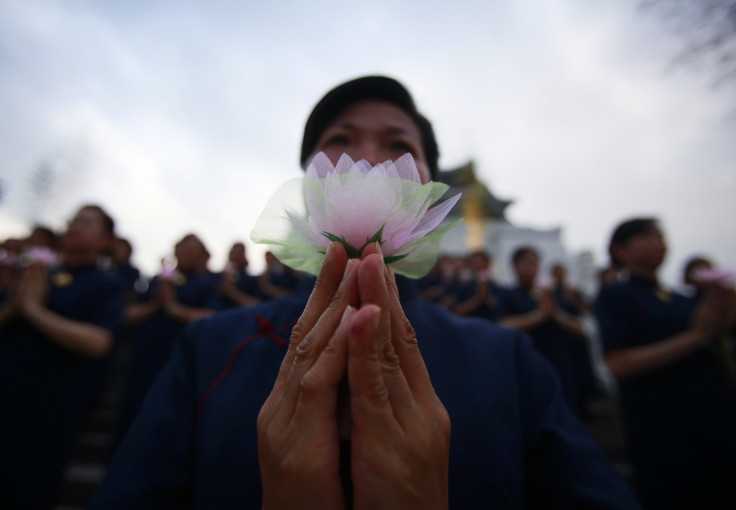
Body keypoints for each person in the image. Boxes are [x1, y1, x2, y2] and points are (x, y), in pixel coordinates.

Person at [90, 76, 640, 509]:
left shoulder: (506, 359)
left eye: (400, 145)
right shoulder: (209, 347)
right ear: (306, 186)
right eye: (339, 141)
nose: (371, 158)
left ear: (429, 190)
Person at [594, 218, 736, 509]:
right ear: (619, 249)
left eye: (661, 236)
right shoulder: (616, 296)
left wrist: (722, 308)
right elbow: (618, 364)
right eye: (647, 237)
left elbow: (713, 340)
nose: (659, 243)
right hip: (663, 426)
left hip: (711, 417)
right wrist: (695, 337)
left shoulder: (680, 299)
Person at [0, 204, 125, 509]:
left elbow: (98, 342)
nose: (73, 227)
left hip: (50, 406)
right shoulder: (35, 272)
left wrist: (34, 311)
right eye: (71, 220)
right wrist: (16, 305)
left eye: (85, 222)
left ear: (106, 241)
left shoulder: (105, 284)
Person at [116, 233, 221, 445]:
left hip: (183, 357)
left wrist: (175, 309)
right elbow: (126, 312)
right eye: (181, 248)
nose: (185, 253)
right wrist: (156, 304)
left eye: (192, 249)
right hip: (147, 355)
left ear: (204, 256)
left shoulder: (210, 282)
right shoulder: (160, 280)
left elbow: (214, 316)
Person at [496, 247, 588, 415]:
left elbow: (581, 328)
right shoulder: (508, 295)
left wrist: (554, 314)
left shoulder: (554, 294)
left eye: (535, 263)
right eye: (527, 263)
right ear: (515, 267)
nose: (533, 267)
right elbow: (503, 324)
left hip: (559, 360)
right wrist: (538, 317)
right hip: (528, 360)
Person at [219, 241, 262, 308]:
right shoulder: (218, 277)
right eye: (234, 252)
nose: (235, 255)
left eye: (239, 252)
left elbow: (257, 304)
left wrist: (231, 291)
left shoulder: (252, 280)